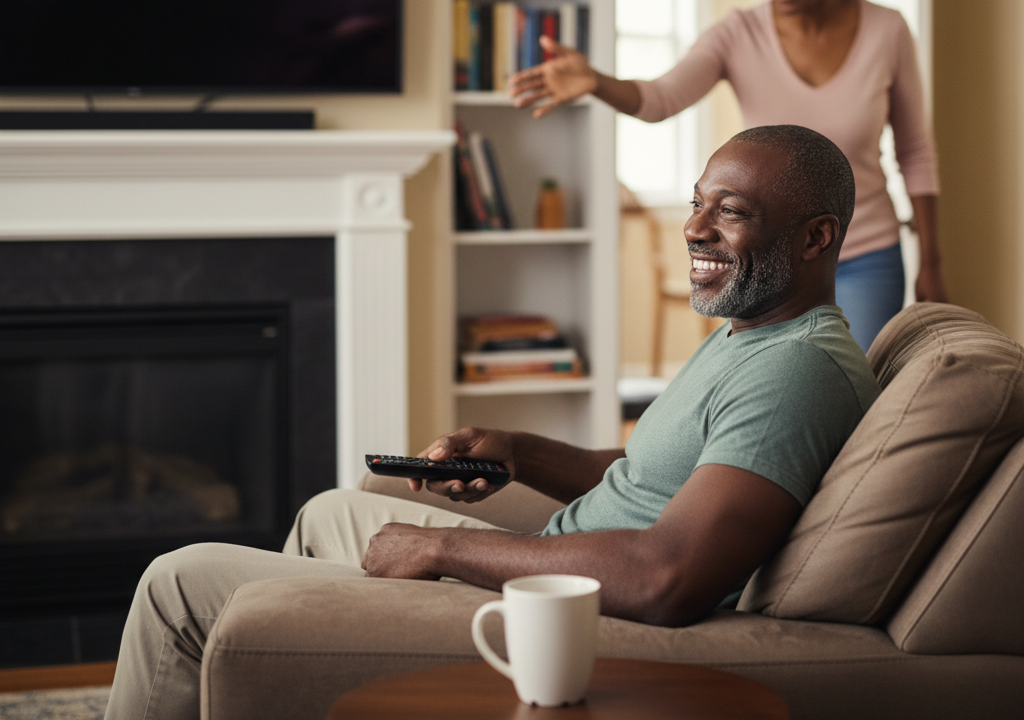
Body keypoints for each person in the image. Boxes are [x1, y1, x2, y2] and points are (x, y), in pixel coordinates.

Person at [103, 125, 879, 720]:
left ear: (817, 237)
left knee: (176, 583)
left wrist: (442, 546)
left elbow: (665, 578)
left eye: (731, 211)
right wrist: (519, 452)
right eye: (698, 203)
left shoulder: (795, 370)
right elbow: (649, 475)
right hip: (556, 568)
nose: (694, 228)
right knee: (329, 512)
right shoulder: (753, 334)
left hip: (565, 617)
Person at [510, 0, 947, 351]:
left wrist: (932, 262)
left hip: (867, 253)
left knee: (860, 398)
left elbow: (916, 152)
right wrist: (596, 82)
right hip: (767, 257)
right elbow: (660, 98)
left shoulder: (887, 31)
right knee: (779, 393)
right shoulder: (738, 34)